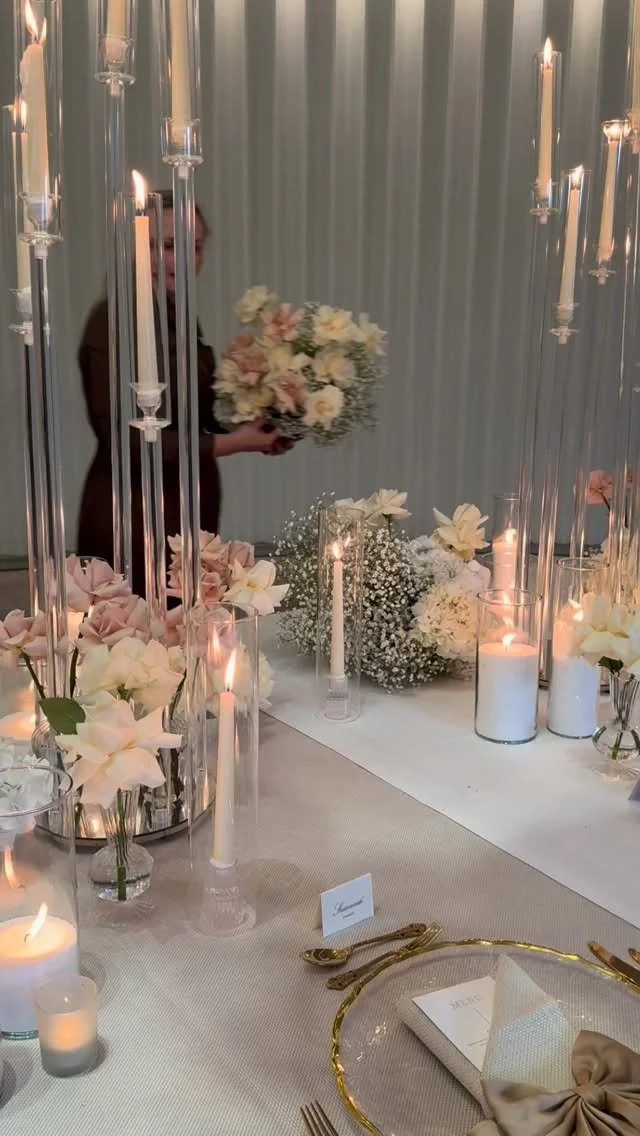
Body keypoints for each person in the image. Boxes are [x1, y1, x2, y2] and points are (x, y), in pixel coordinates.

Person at [77, 191, 290, 594]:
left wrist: (264, 423)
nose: (186, 260)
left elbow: (195, 413)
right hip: (134, 514)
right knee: (136, 624)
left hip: (189, 507)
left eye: (194, 247)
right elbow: (127, 440)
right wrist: (235, 443)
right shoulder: (111, 322)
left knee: (187, 620)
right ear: (136, 251)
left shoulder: (178, 316)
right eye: (168, 246)